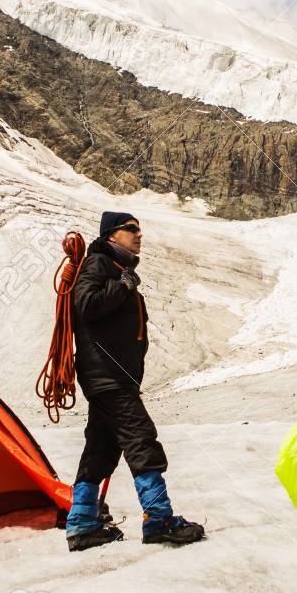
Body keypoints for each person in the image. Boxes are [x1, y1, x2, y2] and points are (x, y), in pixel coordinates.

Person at [64, 211, 205, 551]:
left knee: (101, 448)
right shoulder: (99, 264)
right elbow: (86, 305)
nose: (138, 235)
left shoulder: (111, 267)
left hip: (107, 377)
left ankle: (82, 524)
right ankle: (158, 519)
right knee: (141, 439)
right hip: (110, 377)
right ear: (112, 235)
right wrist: (122, 286)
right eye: (131, 229)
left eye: (139, 229)